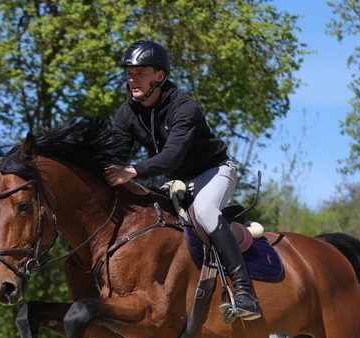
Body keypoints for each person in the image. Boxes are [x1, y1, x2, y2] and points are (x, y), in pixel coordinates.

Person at [104, 40, 261, 323]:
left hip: (213, 172)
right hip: (176, 180)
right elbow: (114, 156)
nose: (132, 78)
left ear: (159, 76)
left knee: (204, 211)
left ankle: (246, 294)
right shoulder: (126, 113)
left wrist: (133, 170)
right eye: (129, 72)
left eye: (140, 72)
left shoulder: (183, 106)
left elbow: (172, 157)